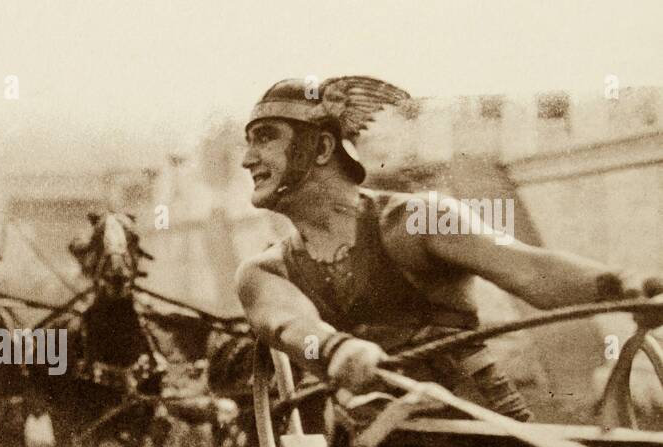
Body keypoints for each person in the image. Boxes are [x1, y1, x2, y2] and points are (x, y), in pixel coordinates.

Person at [234, 77, 661, 419]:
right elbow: (287, 325)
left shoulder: (415, 220)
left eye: (265, 138)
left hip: (482, 434)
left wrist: (625, 288)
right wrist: (333, 350)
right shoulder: (264, 271)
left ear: (323, 147)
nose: (247, 159)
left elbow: (528, 270)